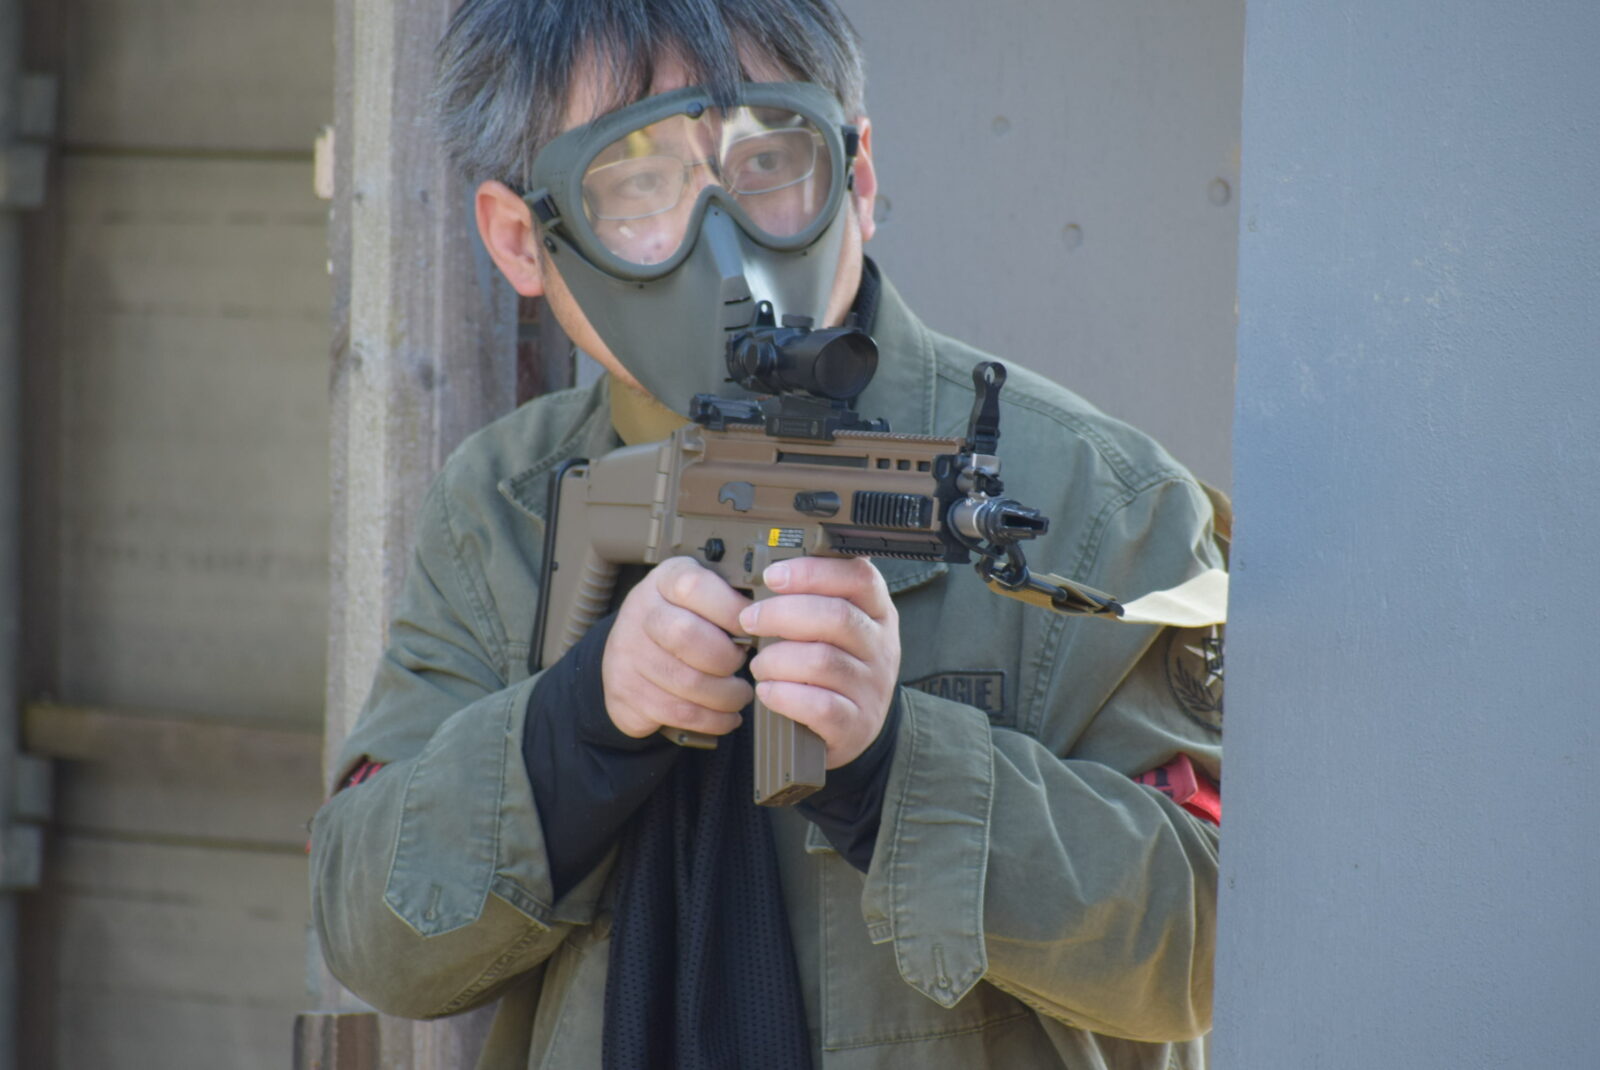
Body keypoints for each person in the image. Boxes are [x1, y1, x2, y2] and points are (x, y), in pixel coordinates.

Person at [310, 2, 1227, 1068]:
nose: (723, 238)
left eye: (768, 160)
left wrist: (895, 768)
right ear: (522, 239)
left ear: (858, 178)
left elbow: (1212, 943)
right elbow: (371, 932)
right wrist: (578, 727)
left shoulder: (1096, 500)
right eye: (637, 183)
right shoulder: (503, 506)